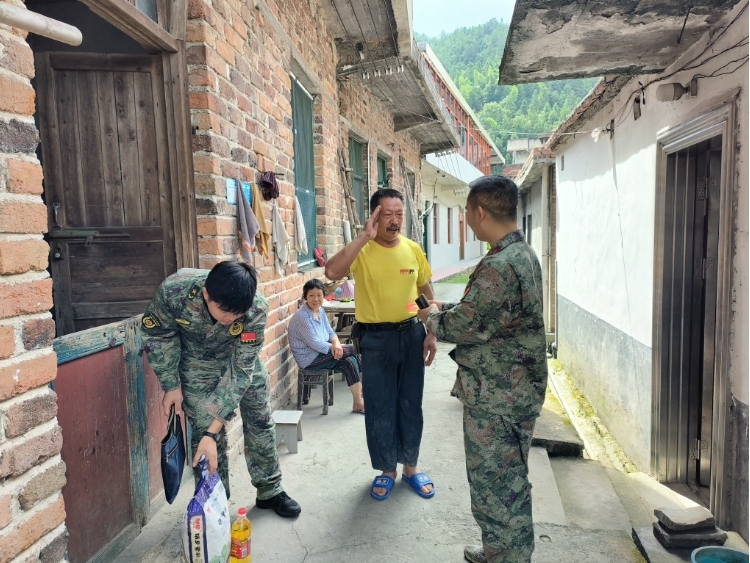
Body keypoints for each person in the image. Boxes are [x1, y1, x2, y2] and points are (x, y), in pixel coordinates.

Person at [416, 176, 547, 563]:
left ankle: (506, 556)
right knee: (508, 479)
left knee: (496, 485)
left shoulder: (499, 266)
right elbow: (491, 315)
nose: (467, 220)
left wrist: (431, 318)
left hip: (498, 395)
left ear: (480, 212)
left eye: (466, 213)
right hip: (514, 389)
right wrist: (447, 309)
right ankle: (500, 550)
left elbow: (466, 326)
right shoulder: (521, 253)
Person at [140, 261, 301, 518]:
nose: (231, 319)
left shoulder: (256, 308)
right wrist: (171, 384)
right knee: (204, 433)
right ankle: (215, 504)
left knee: (260, 419)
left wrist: (211, 431)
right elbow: (158, 334)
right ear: (206, 294)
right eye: (225, 311)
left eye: (238, 314)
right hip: (196, 361)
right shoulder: (174, 292)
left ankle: (270, 489)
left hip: (238, 359)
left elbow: (241, 372)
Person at [325, 188, 438, 501]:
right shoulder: (362, 251)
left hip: (412, 334)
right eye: (387, 215)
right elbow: (331, 271)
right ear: (374, 216)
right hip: (375, 339)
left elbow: (424, 295)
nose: (395, 221)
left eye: (399, 214)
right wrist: (364, 236)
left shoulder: (413, 250)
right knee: (379, 406)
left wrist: (431, 331)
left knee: (410, 403)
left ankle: (411, 467)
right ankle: (387, 470)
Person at [288, 279, 365, 413]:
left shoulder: (321, 311)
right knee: (354, 350)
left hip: (323, 353)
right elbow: (315, 343)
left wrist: (336, 344)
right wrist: (335, 347)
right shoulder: (302, 316)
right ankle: (367, 391)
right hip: (309, 359)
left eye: (319, 295)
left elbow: (330, 332)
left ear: (324, 295)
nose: (316, 299)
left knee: (350, 361)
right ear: (305, 296)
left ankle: (358, 403)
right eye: (311, 295)